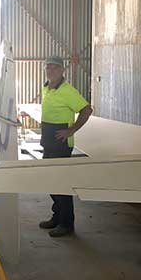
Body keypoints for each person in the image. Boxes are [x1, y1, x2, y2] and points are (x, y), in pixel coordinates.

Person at [36, 56, 93, 237]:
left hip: (61, 144)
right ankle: (57, 216)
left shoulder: (68, 91)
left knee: (61, 184)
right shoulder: (46, 87)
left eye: (54, 68)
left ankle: (67, 224)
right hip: (48, 141)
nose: (50, 71)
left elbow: (86, 110)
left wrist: (71, 130)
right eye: (48, 68)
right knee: (51, 182)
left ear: (62, 70)